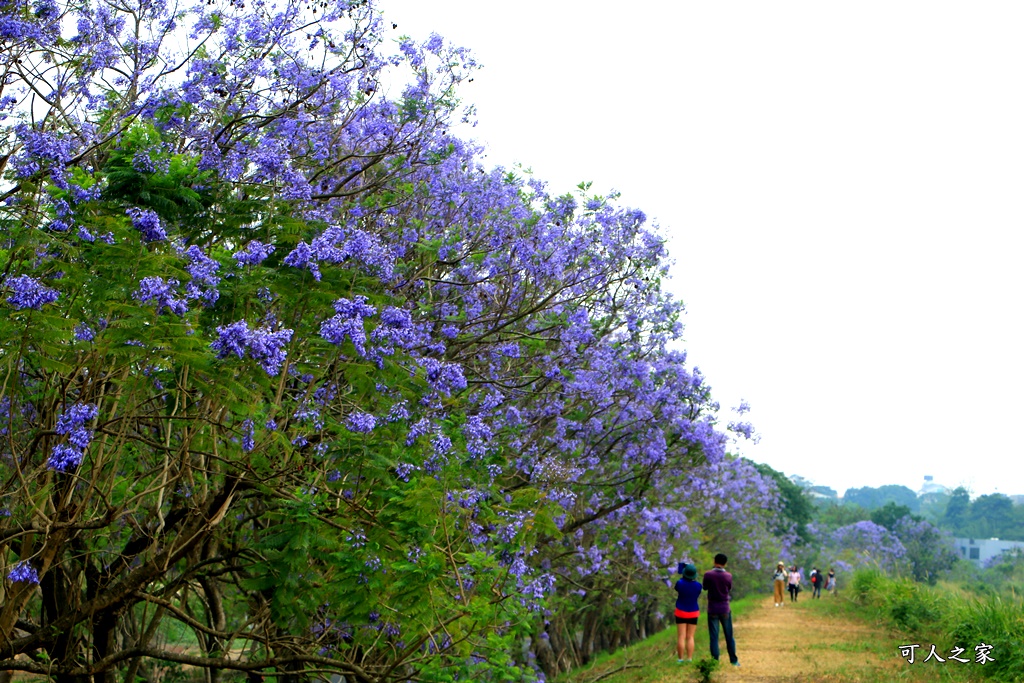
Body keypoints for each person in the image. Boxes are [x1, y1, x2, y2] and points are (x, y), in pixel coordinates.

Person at [702, 553, 739, 667]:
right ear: (725, 563)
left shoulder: (708, 574)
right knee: (729, 635)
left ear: (714, 561)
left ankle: (715, 662)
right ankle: (733, 661)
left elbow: (705, 587)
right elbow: (729, 588)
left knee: (714, 637)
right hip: (725, 608)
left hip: (712, 608)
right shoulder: (728, 576)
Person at [673, 562, 702, 663]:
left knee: (681, 636)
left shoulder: (680, 583)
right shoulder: (698, 586)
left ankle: (680, 659)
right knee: (690, 636)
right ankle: (689, 658)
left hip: (681, 611)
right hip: (693, 611)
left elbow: (677, 586)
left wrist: (682, 569)